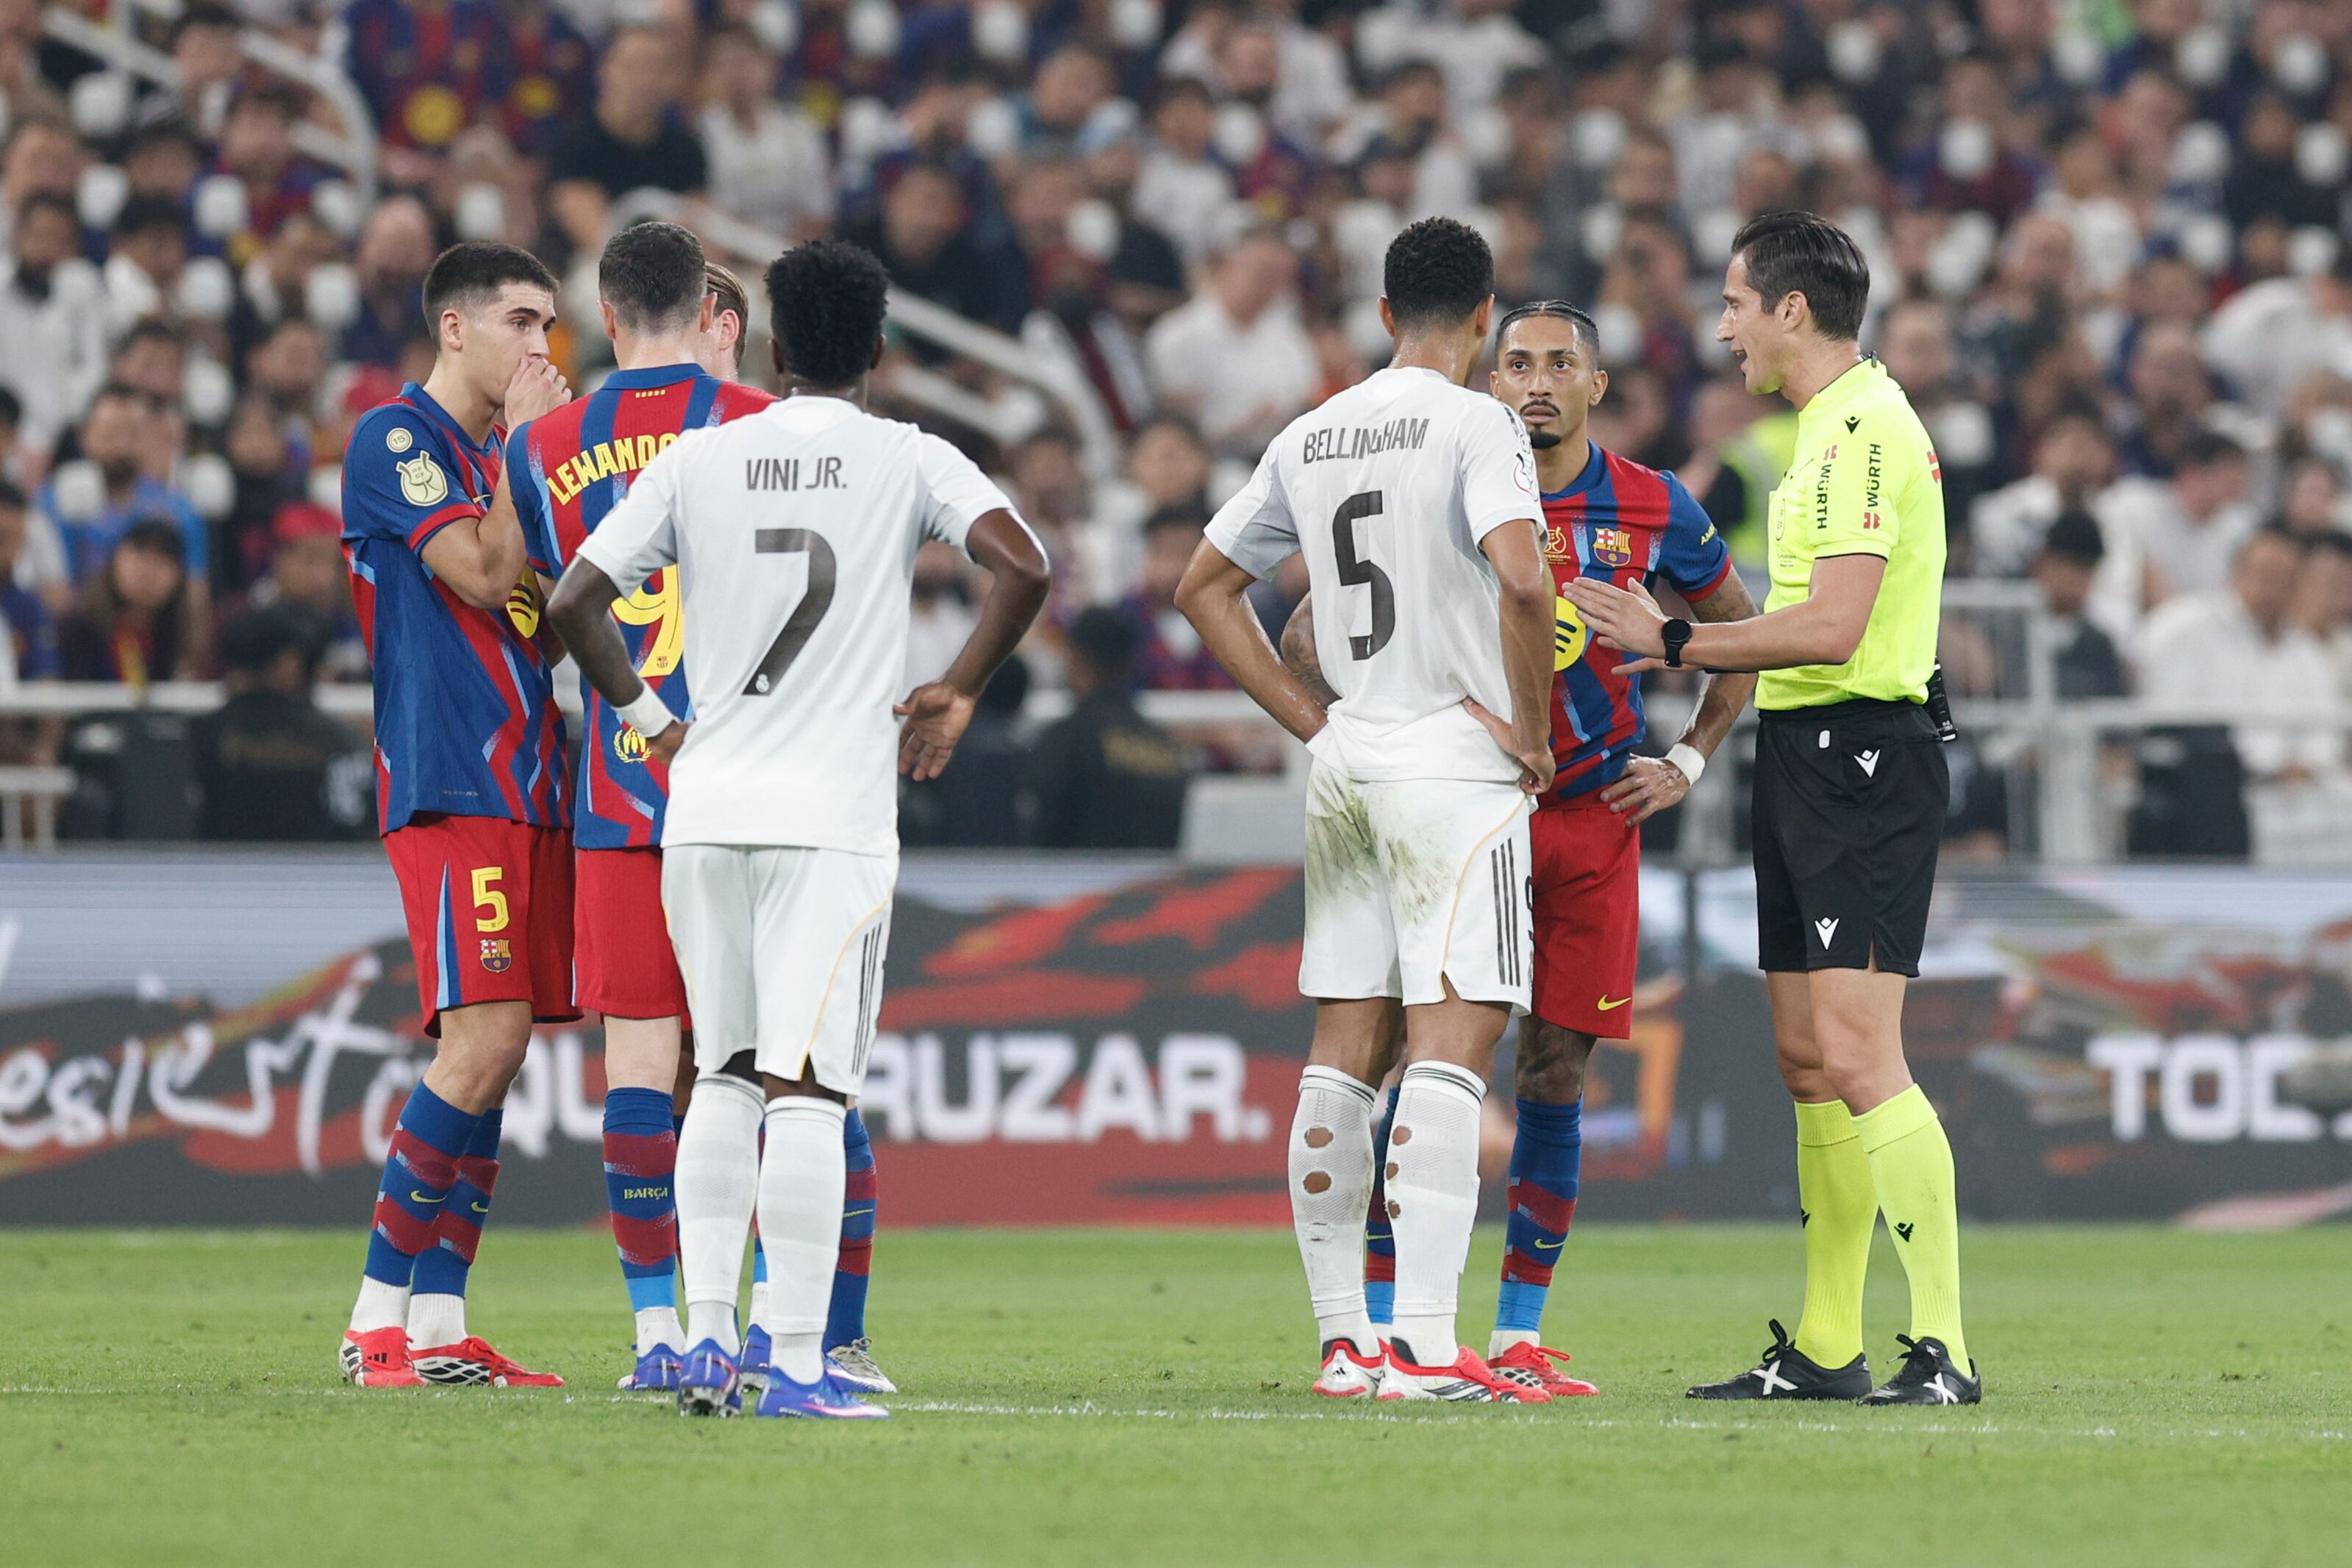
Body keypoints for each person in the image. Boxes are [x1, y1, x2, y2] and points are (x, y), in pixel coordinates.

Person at [545, 239, 1048, 1420]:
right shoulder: (907, 456)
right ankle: (798, 1362)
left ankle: (707, 1341)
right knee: (808, 1093)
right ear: (876, 350)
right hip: (829, 819)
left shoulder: (701, 460)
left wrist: (652, 722)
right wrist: (959, 686)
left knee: (716, 1074)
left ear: (770, 346)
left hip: (704, 811)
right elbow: (1022, 567)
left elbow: (575, 599)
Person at [1284, 299, 1761, 1398]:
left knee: (1554, 1073)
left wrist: (1687, 760)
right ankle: (1395, 1328)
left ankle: (1512, 1336)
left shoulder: (1649, 505)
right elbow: (1308, 631)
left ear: (1597, 385)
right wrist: (1372, 729)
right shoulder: (1444, 475)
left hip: (1589, 818)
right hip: (1459, 803)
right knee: (1429, 1064)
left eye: (1559, 364)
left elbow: (1736, 636)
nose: (1534, 382)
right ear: (1487, 379)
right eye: (1515, 363)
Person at [1569, 210, 1974, 1406]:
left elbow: (1836, 626)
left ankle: (1943, 1345)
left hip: (1861, 751)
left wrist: (1676, 637)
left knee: (1858, 1050)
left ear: (1789, 309)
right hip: (1802, 747)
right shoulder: (1811, 432)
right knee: (1805, 1058)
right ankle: (1826, 1346)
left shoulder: (1857, 425)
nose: (1723, 326)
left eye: (1735, 302)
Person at [1174, 217, 1555, 1403]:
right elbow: (1524, 574)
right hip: (1453, 759)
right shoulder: (1481, 421)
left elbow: (1204, 587)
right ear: (1485, 318)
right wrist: (1532, 734)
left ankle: (1346, 1339)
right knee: (1453, 1043)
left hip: (1346, 759)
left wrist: (1308, 720)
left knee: (1342, 1053)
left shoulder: (1312, 429)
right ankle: (1429, 1346)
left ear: (1383, 316)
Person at [335, 240, 576, 1391]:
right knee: (479, 1041)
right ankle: (373, 1321)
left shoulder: (502, 461)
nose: (543, 348)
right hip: (448, 779)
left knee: (501, 1046)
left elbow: (558, 609)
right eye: (524, 321)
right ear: (456, 329)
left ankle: (436, 1327)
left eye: (551, 326)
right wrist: (534, 450)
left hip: (531, 787)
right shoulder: (397, 439)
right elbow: (483, 576)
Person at [193, 606, 372, 842]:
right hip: (323, 874)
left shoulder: (201, 736)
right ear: (289, 662)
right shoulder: (342, 744)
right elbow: (357, 827)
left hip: (216, 873)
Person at [1019, 608, 1190, 849]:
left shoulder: (1065, 742)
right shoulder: (1166, 746)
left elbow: (1040, 838)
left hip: (1082, 884)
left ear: (1077, 658)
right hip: (1157, 885)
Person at [57, 519, 190, 687]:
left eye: (162, 561)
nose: (148, 571)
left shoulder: (173, 639)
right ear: (115, 559)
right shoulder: (76, 631)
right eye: (140, 555)